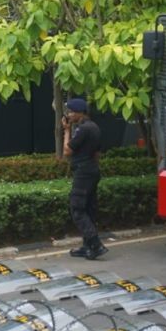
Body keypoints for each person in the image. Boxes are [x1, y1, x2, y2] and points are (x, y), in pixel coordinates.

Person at [62, 97, 108, 260]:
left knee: (77, 208)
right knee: (88, 209)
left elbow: (67, 152)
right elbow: (97, 154)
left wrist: (66, 131)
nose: (69, 114)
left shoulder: (83, 129)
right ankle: (87, 246)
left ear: (80, 113)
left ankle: (96, 245)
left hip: (83, 172)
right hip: (92, 171)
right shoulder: (94, 127)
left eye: (71, 112)